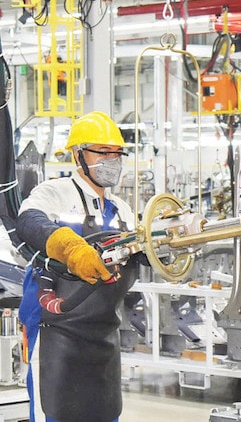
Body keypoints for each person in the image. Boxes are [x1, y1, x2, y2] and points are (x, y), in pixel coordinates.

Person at [17, 111, 138, 422]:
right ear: (78, 154)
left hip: (104, 334)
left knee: (105, 411)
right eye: (103, 151)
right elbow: (28, 222)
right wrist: (71, 248)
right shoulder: (55, 193)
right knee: (56, 411)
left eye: (117, 153)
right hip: (55, 330)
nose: (112, 160)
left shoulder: (123, 211)